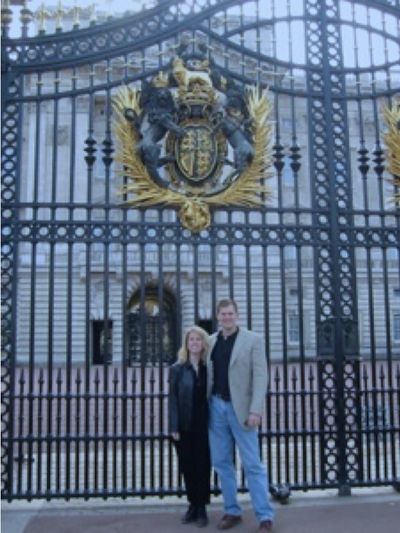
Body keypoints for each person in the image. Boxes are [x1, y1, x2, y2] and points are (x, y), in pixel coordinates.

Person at [207, 298, 274, 532]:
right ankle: (232, 510)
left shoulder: (253, 339)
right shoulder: (211, 341)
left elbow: (261, 376)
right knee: (221, 462)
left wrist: (256, 409)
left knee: (252, 464)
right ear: (218, 316)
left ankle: (264, 515)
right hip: (216, 407)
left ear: (237, 315)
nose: (227, 317)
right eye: (223, 314)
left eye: (230, 313)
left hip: (243, 409)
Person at [169, 325, 211, 528]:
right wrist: (173, 426)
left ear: (203, 343)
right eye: (191, 340)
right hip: (185, 425)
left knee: (203, 466)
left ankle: (202, 507)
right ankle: (192, 504)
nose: (194, 343)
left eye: (198, 339)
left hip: (205, 425)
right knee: (187, 467)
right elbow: (173, 399)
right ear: (186, 344)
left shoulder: (209, 367)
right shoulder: (177, 369)